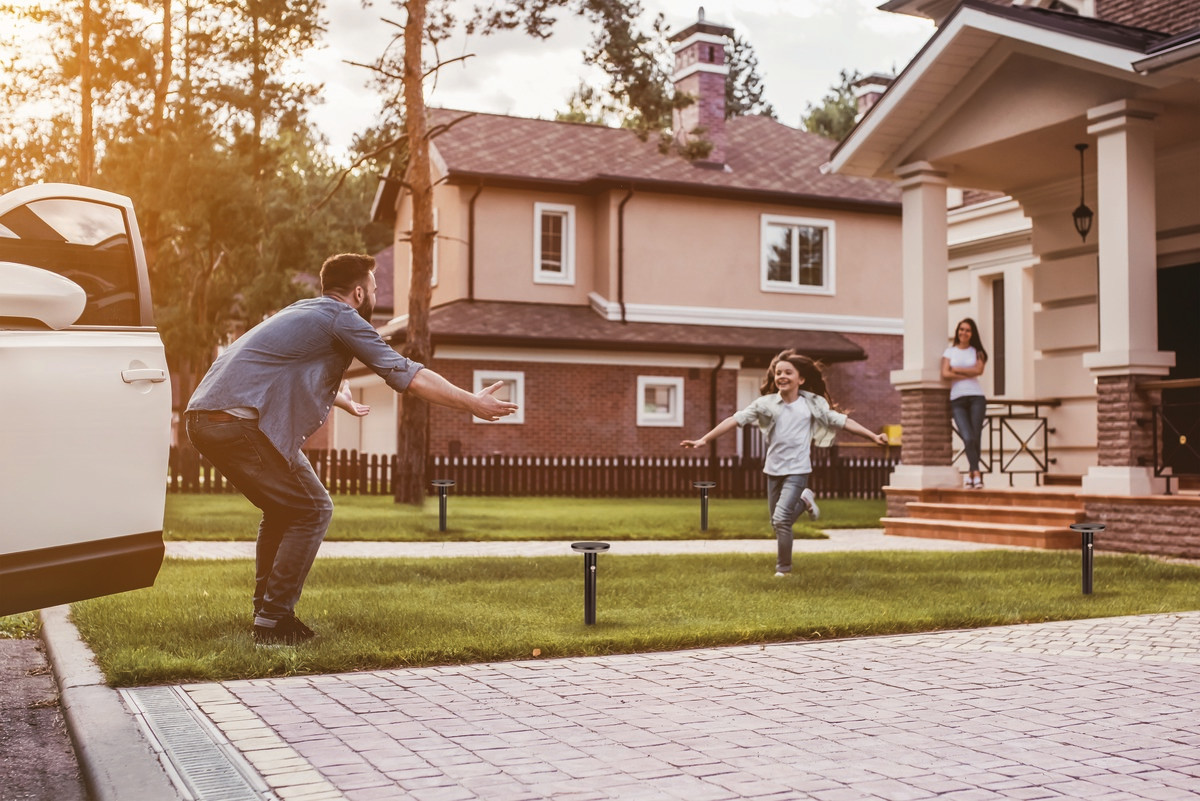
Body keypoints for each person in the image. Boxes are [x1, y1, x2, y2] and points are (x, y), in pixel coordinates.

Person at [185, 253, 518, 645]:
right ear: (359, 293)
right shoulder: (343, 318)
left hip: (207, 418)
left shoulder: (303, 311)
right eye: (375, 289)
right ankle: (273, 621)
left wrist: (339, 399)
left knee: (283, 510)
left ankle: (268, 613)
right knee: (312, 509)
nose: (376, 296)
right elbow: (404, 372)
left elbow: (275, 367)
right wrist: (471, 402)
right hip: (237, 423)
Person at [681, 349, 887, 578]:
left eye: (788, 372)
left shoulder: (812, 404)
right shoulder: (766, 404)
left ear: (801, 379)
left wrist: (873, 436)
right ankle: (805, 500)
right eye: (778, 372)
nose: (782, 376)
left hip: (798, 470)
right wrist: (704, 439)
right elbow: (734, 419)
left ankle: (783, 570)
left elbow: (843, 421)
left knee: (781, 520)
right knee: (777, 522)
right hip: (773, 469)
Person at [941, 317, 988, 489]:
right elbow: (945, 373)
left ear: (972, 333)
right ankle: (976, 472)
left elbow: (979, 370)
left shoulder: (977, 351)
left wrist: (957, 370)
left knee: (975, 438)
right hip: (957, 400)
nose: (964, 333)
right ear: (957, 331)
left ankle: (973, 474)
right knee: (967, 437)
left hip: (977, 398)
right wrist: (968, 373)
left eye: (967, 330)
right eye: (961, 329)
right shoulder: (950, 352)